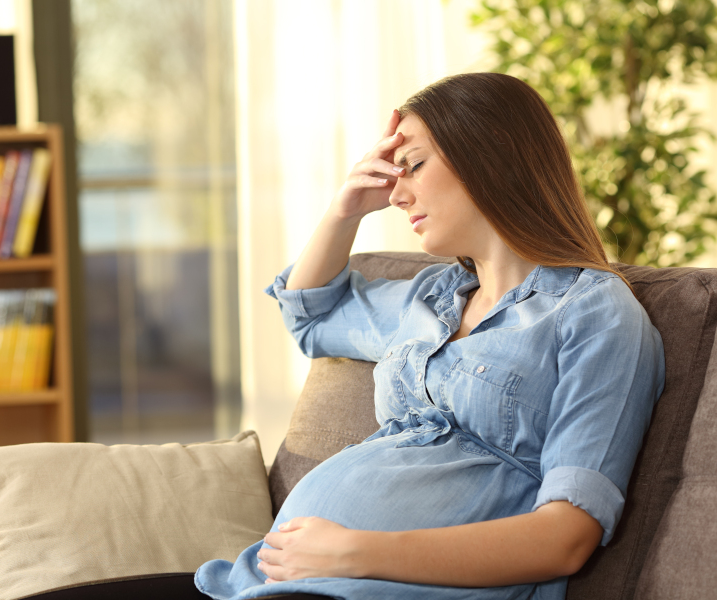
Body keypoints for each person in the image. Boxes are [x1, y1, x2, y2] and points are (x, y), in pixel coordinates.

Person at [194, 73, 665, 600]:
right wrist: (343, 209)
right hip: (267, 582)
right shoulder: (431, 299)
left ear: (491, 158)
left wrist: (354, 552)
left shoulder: (595, 314)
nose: (395, 194)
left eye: (413, 166)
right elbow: (310, 316)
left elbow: (566, 537)